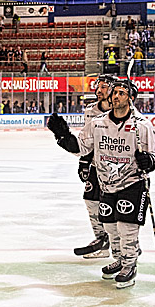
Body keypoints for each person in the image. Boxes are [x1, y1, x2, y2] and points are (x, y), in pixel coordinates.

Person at [47, 78, 155, 288]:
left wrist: (149, 161)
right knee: (111, 228)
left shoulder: (141, 125)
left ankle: (130, 265)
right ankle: (119, 259)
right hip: (106, 183)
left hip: (132, 183)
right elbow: (82, 147)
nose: (115, 96)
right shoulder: (98, 123)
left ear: (131, 98)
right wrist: (62, 136)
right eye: (114, 92)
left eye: (121, 93)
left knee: (127, 228)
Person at [53, 73, 117, 260]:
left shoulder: (123, 109)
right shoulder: (90, 110)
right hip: (97, 166)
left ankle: (122, 245)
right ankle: (101, 241)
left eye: (103, 86)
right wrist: (84, 162)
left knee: (114, 207)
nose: (98, 90)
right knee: (91, 201)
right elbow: (87, 142)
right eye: (97, 86)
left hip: (119, 167)